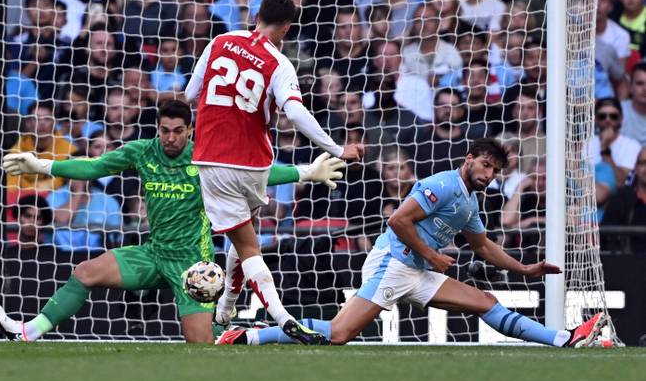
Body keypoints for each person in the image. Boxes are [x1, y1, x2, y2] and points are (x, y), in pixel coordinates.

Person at [0, 99, 345, 342]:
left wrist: (306, 172)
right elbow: (94, 167)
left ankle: (254, 338)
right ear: (158, 128)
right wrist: (42, 165)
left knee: (202, 348)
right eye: (165, 130)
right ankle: (27, 331)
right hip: (153, 252)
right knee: (85, 272)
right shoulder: (142, 151)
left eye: (178, 131)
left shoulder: (207, 157)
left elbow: (257, 173)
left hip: (194, 267)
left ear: (190, 130)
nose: (171, 137)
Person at [219, 139, 607, 348]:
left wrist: (526, 269)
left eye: (496, 170)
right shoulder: (441, 184)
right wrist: (431, 254)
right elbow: (397, 220)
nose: (489, 174)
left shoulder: (470, 200)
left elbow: (484, 246)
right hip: (395, 263)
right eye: (485, 165)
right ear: (469, 159)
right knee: (337, 335)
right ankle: (248, 334)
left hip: (417, 269)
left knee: (486, 303)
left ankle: (564, 339)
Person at [184, 0, 363, 345]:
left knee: (247, 245)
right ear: (286, 27)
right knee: (245, 231)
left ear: (256, 15)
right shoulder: (279, 63)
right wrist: (337, 148)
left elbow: (190, 93)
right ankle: (227, 307)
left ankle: (281, 318)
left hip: (213, 158)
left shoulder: (221, 40)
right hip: (254, 162)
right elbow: (294, 112)